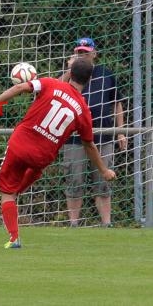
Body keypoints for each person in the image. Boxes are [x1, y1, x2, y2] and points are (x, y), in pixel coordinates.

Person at [0, 58, 116, 248]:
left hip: (20, 144)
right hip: (42, 156)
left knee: (7, 193)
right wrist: (104, 171)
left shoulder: (50, 83)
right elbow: (89, 145)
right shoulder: (83, 111)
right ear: (89, 80)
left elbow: (19, 89)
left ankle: (14, 238)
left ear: (70, 73)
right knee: (28, 177)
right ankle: (17, 193)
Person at [60, 37, 127, 227]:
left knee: (103, 182)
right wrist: (69, 70)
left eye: (85, 53)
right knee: (75, 180)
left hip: (103, 136)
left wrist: (120, 132)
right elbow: (55, 90)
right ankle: (74, 224)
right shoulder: (70, 75)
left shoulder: (106, 74)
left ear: (94, 54)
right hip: (74, 138)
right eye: (79, 53)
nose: (82, 56)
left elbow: (117, 104)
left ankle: (107, 224)